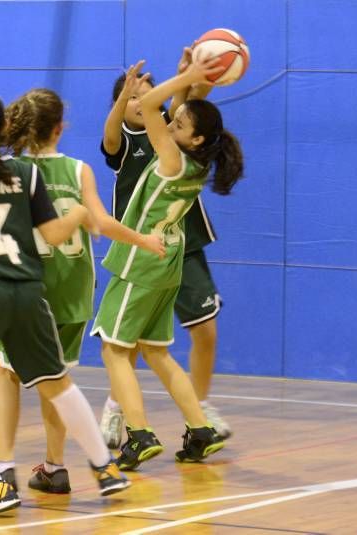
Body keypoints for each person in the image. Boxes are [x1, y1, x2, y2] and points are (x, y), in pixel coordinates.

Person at [0, 90, 131, 516]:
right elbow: (52, 235)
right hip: (29, 292)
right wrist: (80, 217)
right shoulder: (25, 176)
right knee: (57, 382)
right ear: (2, 128)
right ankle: (106, 468)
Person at [0, 88, 164, 494]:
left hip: (27, 286)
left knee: (7, 373)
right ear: (59, 128)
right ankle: (54, 467)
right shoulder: (80, 169)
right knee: (58, 377)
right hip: (73, 289)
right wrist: (143, 240)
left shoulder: (7, 169)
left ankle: (3, 467)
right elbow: (101, 225)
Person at [91, 54, 244, 470]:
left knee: (114, 349)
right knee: (157, 353)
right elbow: (167, 108)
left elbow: (156, 103)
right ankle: (200, 429)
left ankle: (139, 435)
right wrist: (189, 81)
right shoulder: (195, 160)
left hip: (140, 261)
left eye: (179, 124)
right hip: (168, 261)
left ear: (193, 139)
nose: (170, 123)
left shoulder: (170, 158)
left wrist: (187, 78)